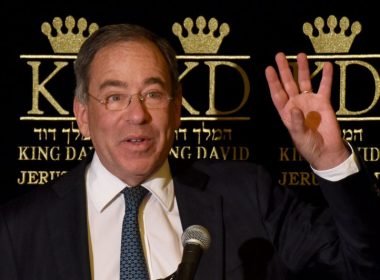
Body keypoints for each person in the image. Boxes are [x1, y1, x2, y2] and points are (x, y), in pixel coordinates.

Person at [0, 23, 379, 280]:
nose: (137, 115)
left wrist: (332, 160)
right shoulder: (19, 229)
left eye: (152, 94)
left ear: (177, 108)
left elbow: (364, 264)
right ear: (82, 115)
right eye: (115, 97)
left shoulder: (249, 195)